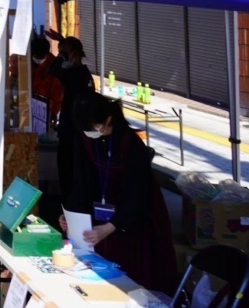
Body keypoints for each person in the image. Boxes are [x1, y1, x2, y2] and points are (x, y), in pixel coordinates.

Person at [61, 93, 177, 294]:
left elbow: (139, 193)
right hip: (99, 224)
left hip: (131, 222)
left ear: (108, 119)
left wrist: (113, 225)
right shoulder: (86, 139)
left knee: (131, 280)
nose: (91, 133)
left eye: (94, 128)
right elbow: (80, 181)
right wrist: (72, 215)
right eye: (87, 130)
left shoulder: (131, 144)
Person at [48, 32, 96, 197]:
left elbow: (53, 70)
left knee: (70, 167)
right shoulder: (82, 73)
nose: (61, 56)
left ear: (73, 55)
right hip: (75, 128)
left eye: (63, 53)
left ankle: (70, 197)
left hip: (74, 130)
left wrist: (62, 53)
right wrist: (63, 42)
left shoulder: (75, 75)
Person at [29, 33, 64, 132]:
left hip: (45, 109)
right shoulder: (26, 62)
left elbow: (58, 93)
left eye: (41, 56)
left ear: (47, 53)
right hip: (29, 106)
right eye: (36, 56)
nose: (39, 59)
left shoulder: (55, 66)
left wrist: (53, 112)